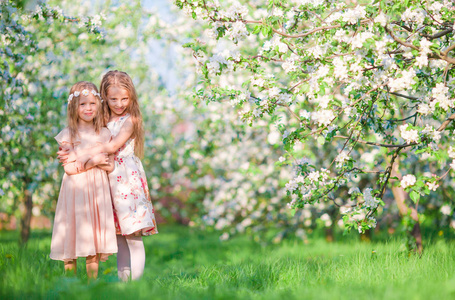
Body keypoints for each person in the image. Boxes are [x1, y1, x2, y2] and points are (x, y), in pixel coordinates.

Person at [59, 71, 158, 281]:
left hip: (126, 183)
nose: (119, 103)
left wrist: (78, 154)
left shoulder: (130, 120)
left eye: (124, 98)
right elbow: (82, 133)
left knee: (132, 236)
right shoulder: (101, 119)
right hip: (106, 184)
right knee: (119, 237)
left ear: (131, 97)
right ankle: (124, 285)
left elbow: (111, 146)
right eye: (113, 99)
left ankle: (137, 285)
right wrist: (68, 149)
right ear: (104, 97)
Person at [50, 81, 117, 279]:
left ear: (99, 105)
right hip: (75, 191)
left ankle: (92, 286)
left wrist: (85, 160)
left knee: (92, 240)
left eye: (92, 104)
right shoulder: (68, 135)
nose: (88, 108)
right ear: (74, 107)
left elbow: (110, 165)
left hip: (97, 191)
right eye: (83, 104)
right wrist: (94, 160)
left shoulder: (104, 134)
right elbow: (70, 168)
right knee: (71, 231)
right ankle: (70, 285)